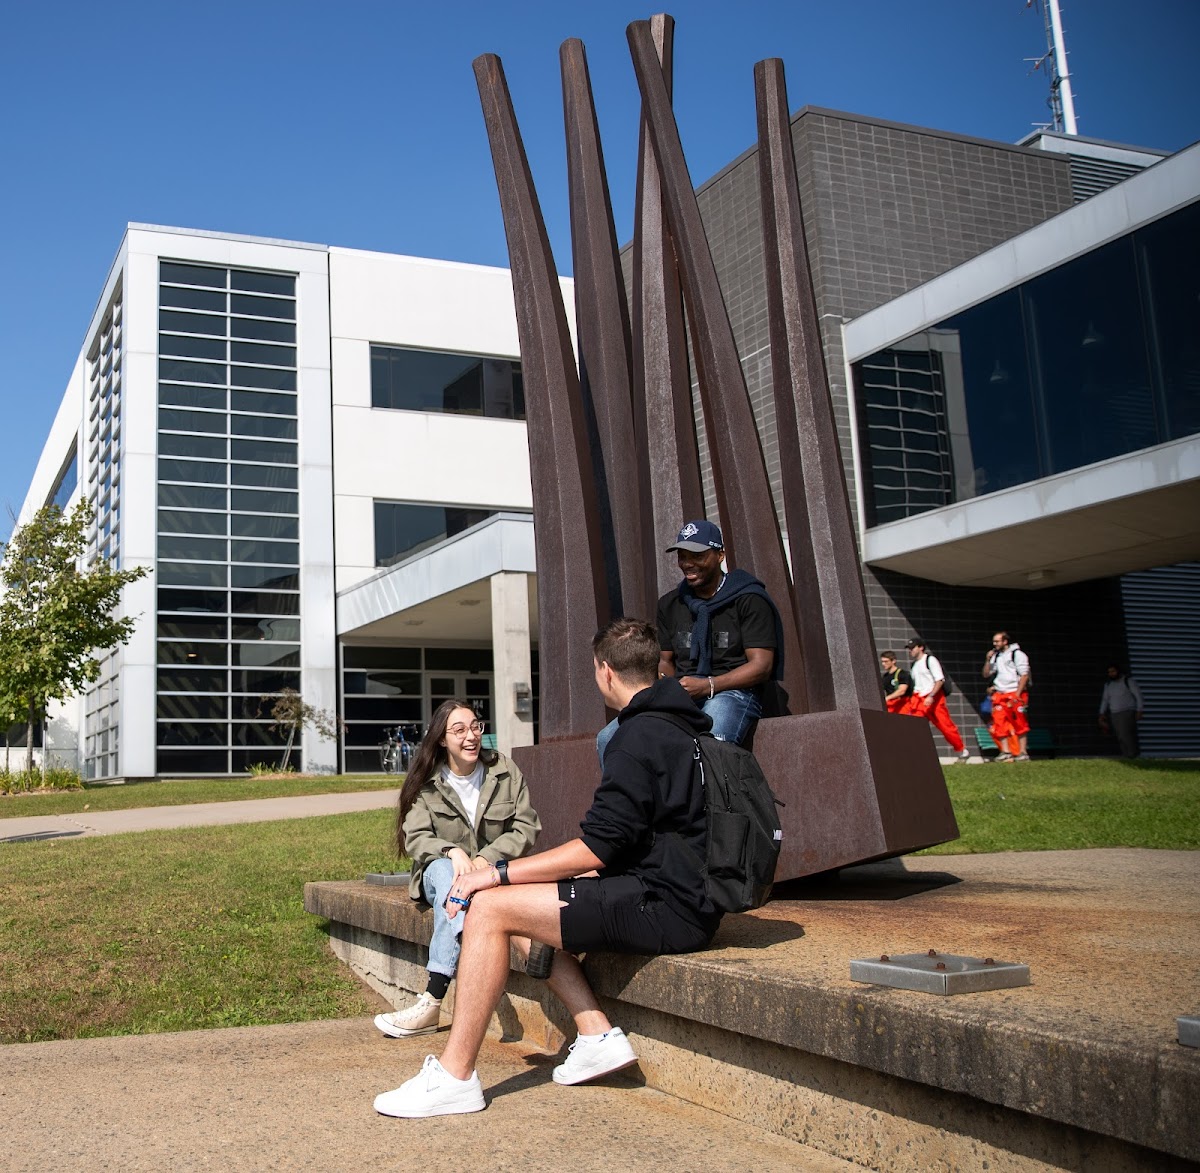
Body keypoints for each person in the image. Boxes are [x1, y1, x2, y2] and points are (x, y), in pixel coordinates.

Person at [373, 618, 721, 1118]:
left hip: (663, 905)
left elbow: (597, 846)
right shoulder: (682, 725)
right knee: (517, 906)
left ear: (604, 672)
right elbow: (642, 836)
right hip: (677, 892)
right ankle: (596, 1033)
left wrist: (498, 873)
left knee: (490, 907)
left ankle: (454, 1076)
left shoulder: (635, 737)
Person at [373, 700, 540, 1040]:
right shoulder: (427, 782)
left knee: (467, 893)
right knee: (451, 880)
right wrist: (451, 852)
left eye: (475, 726)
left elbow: (526, 828)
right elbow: (416, 838)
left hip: (491, 875)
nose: (471, 736)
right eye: (459, 730)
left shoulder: (504, 771)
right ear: (441, 740)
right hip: (440, 875)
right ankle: (507, 945)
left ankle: (432, 1002)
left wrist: (486, 859)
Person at [904, 638, 971, 763]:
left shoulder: (930, 660)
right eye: (909, 648)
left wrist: (932, 696)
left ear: (921, 647)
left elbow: (939, 680)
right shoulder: (914, 665)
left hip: (933, 698)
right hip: (918, 700)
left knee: (945, 726)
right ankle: (916, 754)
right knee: (914, 727)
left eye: (912, 648)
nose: (910, 651)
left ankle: (962, 750)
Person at [982, 631, 1031, 762]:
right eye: (994, 641)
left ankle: (1023, 752)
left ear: (1005, 641)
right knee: (999, 722)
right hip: (1000, 693)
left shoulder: (1017, 655)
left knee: (1019, 722)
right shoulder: (996, 656)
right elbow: (986, 674)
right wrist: (987, 660)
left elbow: (1024, 675)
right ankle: (1005, 751)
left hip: (1014, 692)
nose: (995, 644)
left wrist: (1018, 694)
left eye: (997, 641)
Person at [1099, 664, 1144, 758]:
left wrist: (1139, 710)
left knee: (1126, 734)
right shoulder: (1108, 685)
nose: (1111, 674)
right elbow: (1105, 700)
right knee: (1120, 736)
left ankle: (1133, 755)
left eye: (1113, 671)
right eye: (1109, 672)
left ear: (1118, 671)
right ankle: (1126, 754)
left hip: (1127, 711)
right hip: (1114, 713)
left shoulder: (1128, 681)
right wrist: (1102, 713)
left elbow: (1138, 696)